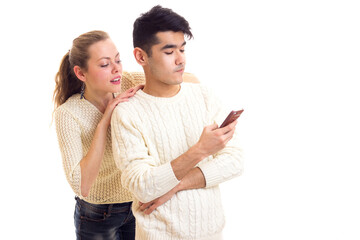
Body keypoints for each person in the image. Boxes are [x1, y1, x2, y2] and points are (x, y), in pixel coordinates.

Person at [111, 6, 244, 240]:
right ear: (141, 57)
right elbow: (142, 187)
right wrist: (200, 150)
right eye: (169, 51)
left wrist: (174, 186)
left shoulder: (203, 96)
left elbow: (235, 161)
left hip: (212, 234)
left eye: (183, 49)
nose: (181, 59)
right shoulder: (127, 113)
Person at [53, 30, 143, 240]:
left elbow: (187, 79)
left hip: (138, 205)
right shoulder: (68, 114)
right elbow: (81, 185)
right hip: (97, 215)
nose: (116, 69)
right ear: (81, 73)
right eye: (105, 64)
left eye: (118, 60)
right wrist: (104, 122)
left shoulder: (128, 83)